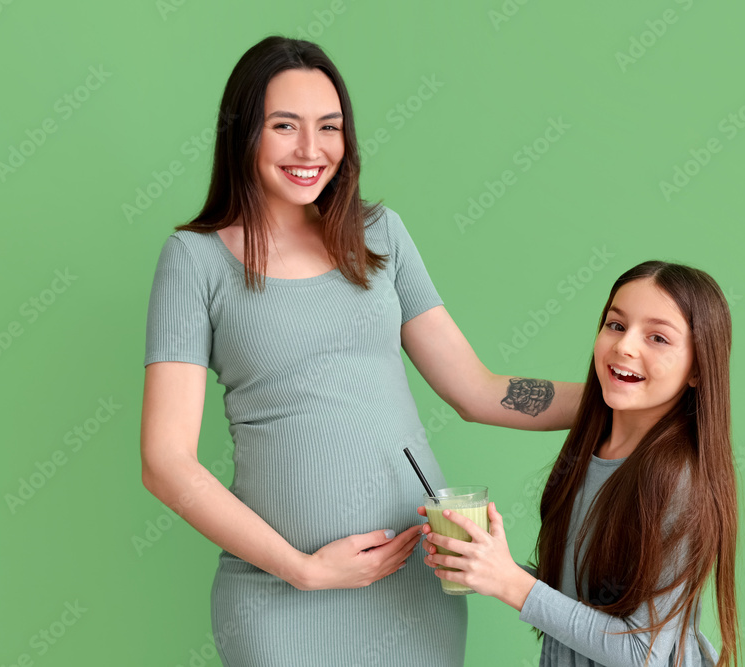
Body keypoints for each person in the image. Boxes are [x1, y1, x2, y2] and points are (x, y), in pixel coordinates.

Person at [139, 35, 583, 667]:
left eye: (329, 127)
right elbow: (165, 460)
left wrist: (619, 403)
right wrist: (302, 570)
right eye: (284, 126)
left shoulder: (379, 236)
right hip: (279, 596)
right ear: (243, 134)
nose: (310, 150)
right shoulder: (195, 260)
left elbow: (478, 389)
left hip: (413, 589)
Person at [419, 261, 741, 666]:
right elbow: (582, 606)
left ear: (697, 367)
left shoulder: (678, 482)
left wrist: (510, 583)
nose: (625, 346)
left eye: (658, 337)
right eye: (616, 325)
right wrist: (488, 564)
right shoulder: (595, 432)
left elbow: (644, 654)